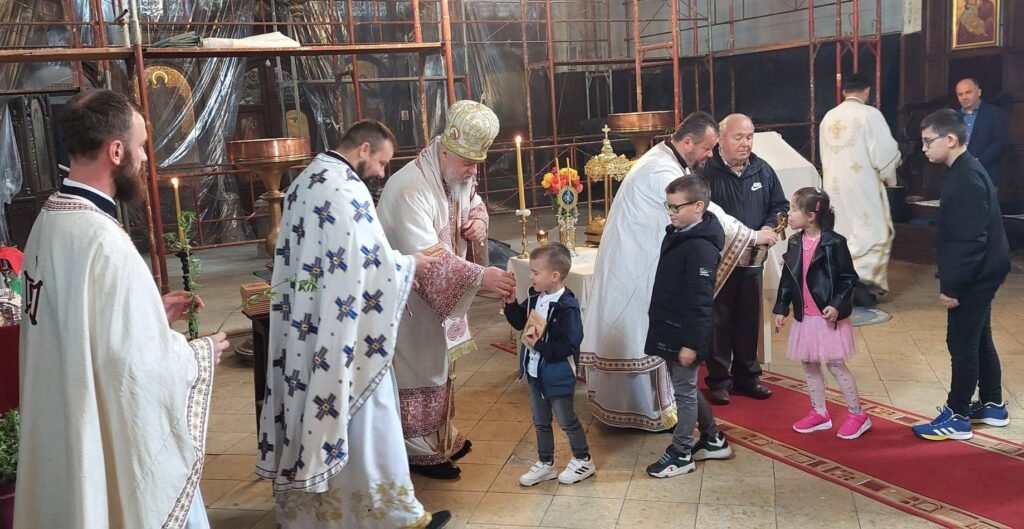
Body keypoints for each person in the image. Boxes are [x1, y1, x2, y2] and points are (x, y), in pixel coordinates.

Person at [15, 89, 231, 529]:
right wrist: (199, 354)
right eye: (141, 146)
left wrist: (148, 312)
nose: (146, 158)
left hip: (64, 420)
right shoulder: (102, 239)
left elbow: (78, 323)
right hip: (94, 420)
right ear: (116, 152)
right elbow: (133, 368)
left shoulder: (49, 219)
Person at [255, 120, 450, 528]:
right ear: (364, 149)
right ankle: (392, 517)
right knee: (369, 418)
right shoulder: (345, 188)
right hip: (346, 336)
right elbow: (366, 264)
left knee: (318, 414)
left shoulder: (304, 182)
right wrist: (409, 264)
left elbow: (320, 264)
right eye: (381, 162)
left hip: (308, 326)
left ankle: (314, 517)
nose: (380, 172)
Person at [581, 112, 770, 432]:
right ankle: (657, 414)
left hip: (637, 260)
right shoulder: (660, 169)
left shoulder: (665, 161)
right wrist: (750, 235)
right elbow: (703, 209)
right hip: (635, 267)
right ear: (688, 142)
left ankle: (669, 414)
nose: (709, 155)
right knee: (640, 335)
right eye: (707, 148)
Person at [377, 100, 517, 479]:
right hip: (410, 299)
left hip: (437, 300)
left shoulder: (454, 174)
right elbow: (428, 258)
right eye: (469, 163)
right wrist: (481, 277)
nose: (474, 171)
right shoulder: (409, 188)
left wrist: (479, 224)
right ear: (445, 150)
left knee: (440, 367)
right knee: (417, 369)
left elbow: (475, 203)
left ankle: (440, 438)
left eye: (477, 163)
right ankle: (415, 451)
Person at [911, 109, 1010, 441]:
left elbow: (968, 241)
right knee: (979, 338)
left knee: (962, 342)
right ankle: (993, 404)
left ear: (950, 139)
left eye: (928, 141)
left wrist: (952, 286)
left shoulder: (965, 177)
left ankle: (957, 416)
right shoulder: (966, 169)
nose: (924, 148)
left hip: (976, 275)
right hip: (985, 270)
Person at [644, 175, 733, 477]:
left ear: (698, 206)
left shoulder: (701, 248)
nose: (670, 213)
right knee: (685, 388)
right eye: (667, 206)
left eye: (676, 207)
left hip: (685, 334)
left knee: (683, 392)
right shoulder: (680, 234)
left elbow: (701, 302)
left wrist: (691, 344)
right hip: (672, 327)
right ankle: (713, 438)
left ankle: (681, 453)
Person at [701, 114, 787, 404]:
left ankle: (748, 377)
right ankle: (719, 380)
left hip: (753, 260)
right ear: (721, 139)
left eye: (749, 137)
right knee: (719, 322)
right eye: (738, 137)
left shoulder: (763, 170)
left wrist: (769, 226)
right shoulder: (706, 173)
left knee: (749, 320)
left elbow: (780, 205)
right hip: (720, 261)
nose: (745, 143)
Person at [773, 188, 870, 439]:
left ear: (811, 216)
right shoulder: (795, 242)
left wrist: (837, 304)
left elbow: (849, 278)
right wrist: (781, 308)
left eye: (794, 209)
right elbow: (788, 279)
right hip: (806, 317)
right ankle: (819, 413)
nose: (788, 214)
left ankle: (857, 414)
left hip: (828, 317)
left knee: (836, 365)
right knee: (809, 364)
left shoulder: (834, 243)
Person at [502, 243, 595, 486]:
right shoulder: (536, 297)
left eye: (535, 272)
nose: (531, 277)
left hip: (557, 374)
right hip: (535, 372)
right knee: (541, 421)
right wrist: (511, 304)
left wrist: (540, 345)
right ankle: (546, 464)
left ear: (554, 275)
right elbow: (521, 323)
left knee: (566, 420)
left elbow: (570, 344)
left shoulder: (567, 306)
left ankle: (583, 460)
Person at [819, 72, 901, 306]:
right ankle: (859, 285)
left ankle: (841, 282)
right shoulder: (870, 115)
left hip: (834, 185)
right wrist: (889, 177)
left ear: (844, 91)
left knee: (842, 230)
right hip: (862, 185)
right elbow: (885, 155)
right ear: (867, 90)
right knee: (872, 231)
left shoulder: (828, 117)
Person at [955, 78, 1008, 187]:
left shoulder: (995, 113)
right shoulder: (953, 117)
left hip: (986, 174)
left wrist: (977, 163)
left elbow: (1000, 142)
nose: (964, 97)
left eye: (968, 92)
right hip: (957, 175)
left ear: (979, 92)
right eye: (960, 94)